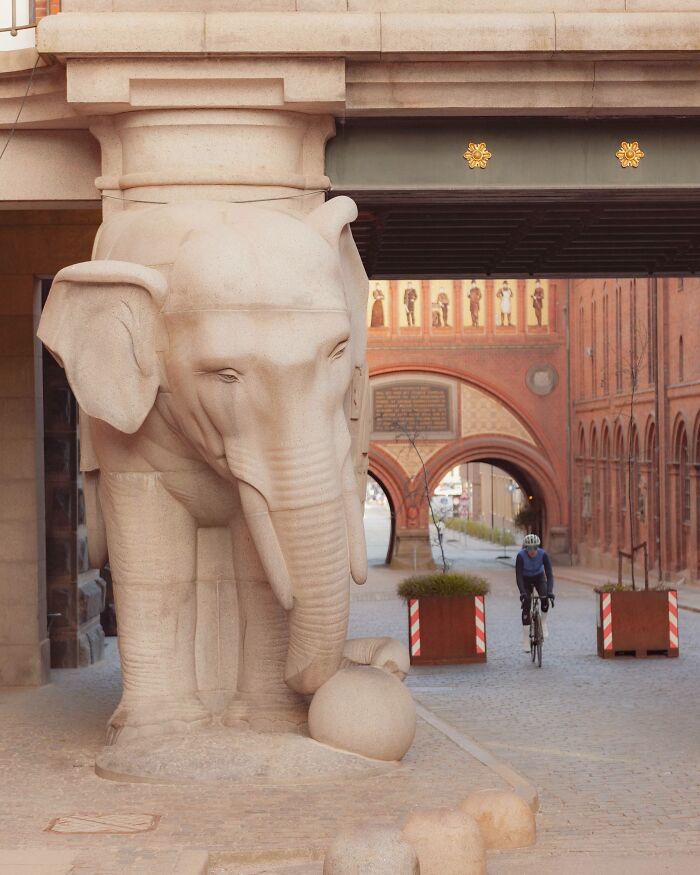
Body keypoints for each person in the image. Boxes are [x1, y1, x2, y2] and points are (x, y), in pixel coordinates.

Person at [516, 533, 555, 651]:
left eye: (534, 548)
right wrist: (522, 592)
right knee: (527, 604)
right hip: (525, 578)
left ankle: (543, 623)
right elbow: (518, 576)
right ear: (525, 548)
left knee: (544, 598)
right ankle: (525, 639)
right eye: (529, 548)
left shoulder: (543, 555)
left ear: (537, 547)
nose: (532, 551)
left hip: (539, 577)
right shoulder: (521, 556)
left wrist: (550, 591)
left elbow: (549, 575)